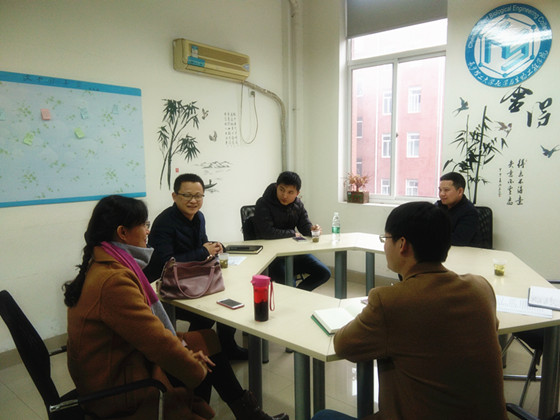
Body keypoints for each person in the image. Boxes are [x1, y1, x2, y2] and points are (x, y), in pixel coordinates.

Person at [63, 195, 288, 420]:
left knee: (207, 339)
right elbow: (155, 341)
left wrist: (187, 352)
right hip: (118, 384)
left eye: (198, 195)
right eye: (143, 225)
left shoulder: (108, 263)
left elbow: (148, 332)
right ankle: (202, 411)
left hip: (123, 358)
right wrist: (192, 362)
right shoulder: (114, 280)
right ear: (122, 232)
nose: (147, 231)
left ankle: (245, 413)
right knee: (201, 363)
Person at [312, 202, 507, 420]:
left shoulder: (390, 301)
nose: (385, 246)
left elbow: (343, 345)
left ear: (402, 244)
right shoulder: (481, 288)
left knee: (322, 416)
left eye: (386, 239)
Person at [144, 173, 247, 360]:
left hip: (192, 278)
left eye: (198, 196)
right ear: (174, 196)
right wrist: (203, 251)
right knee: (207, 314)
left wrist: (215, 247)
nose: (193, 201)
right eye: (187, 195)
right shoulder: (164, 223)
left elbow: (202, 246)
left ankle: (227, 346)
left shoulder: (199, 217)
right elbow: (167, 262)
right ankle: (192, 354)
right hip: (165, 286)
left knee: (228, 299)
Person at [253, 171, 331, 291]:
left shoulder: (298, 205)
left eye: (290, 192)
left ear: (297, 193)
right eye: (282, 190)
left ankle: (298, 295)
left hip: (292, 253)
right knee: (290, 283)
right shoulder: (263, 203)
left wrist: (312, 229)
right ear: (276, 187)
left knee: (324, 273)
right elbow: (267, 232)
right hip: (271, 257)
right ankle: (294, 295)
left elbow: (304, 226)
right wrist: (292, 233)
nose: (284, 195)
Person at [436, 171, 479, 246]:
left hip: (464, 251)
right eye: (440, 190)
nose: (441, 194)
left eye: (446, 190)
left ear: (460, 191)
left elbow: (459, 240)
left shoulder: (470, 212)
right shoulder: (438, 206)